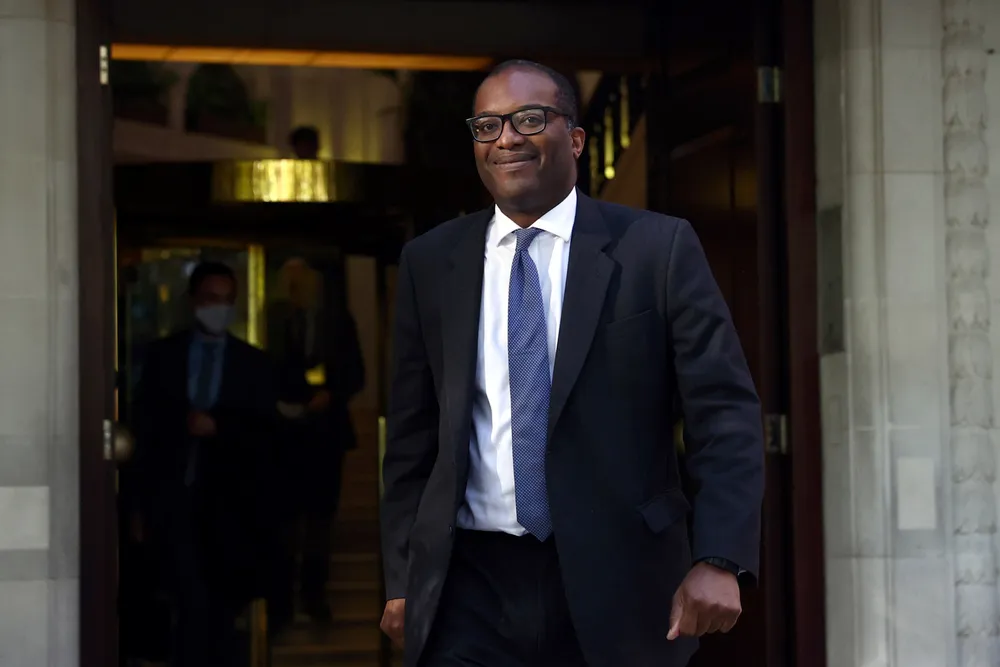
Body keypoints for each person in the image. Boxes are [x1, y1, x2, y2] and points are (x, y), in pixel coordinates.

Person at [379, 60, 764, 667]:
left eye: (529, 119)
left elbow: (724, 414)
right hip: (468, 588)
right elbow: (411, 438)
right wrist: (405, 578)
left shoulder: (656, 249)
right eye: (487, 126)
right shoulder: (430, 263)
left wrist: (719, 556)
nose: (506, 138)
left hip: (622, 582)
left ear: (577, 139)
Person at [133, 261, 278, 667]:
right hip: (174, 500)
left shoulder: (253, 364)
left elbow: (266, 435)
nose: (220, 309)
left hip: (230, 509)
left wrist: (220, 428)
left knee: (221, 613)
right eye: (212, 299)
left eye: (228, 301)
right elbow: (145, 427)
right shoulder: (163, 356)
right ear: (194, 300)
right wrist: (139, 508)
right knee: (187, 605)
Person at [267, 257, 365, 627]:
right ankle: (279, 600)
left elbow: (356, 372)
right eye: (290, 282)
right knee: (283, 518)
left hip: (325, 433)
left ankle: (313, 594)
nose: (296, 289)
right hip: (281, 433)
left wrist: (332, 394)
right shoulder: (272, 320)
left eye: (302, 281)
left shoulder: (336, 322)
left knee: (320, 518)